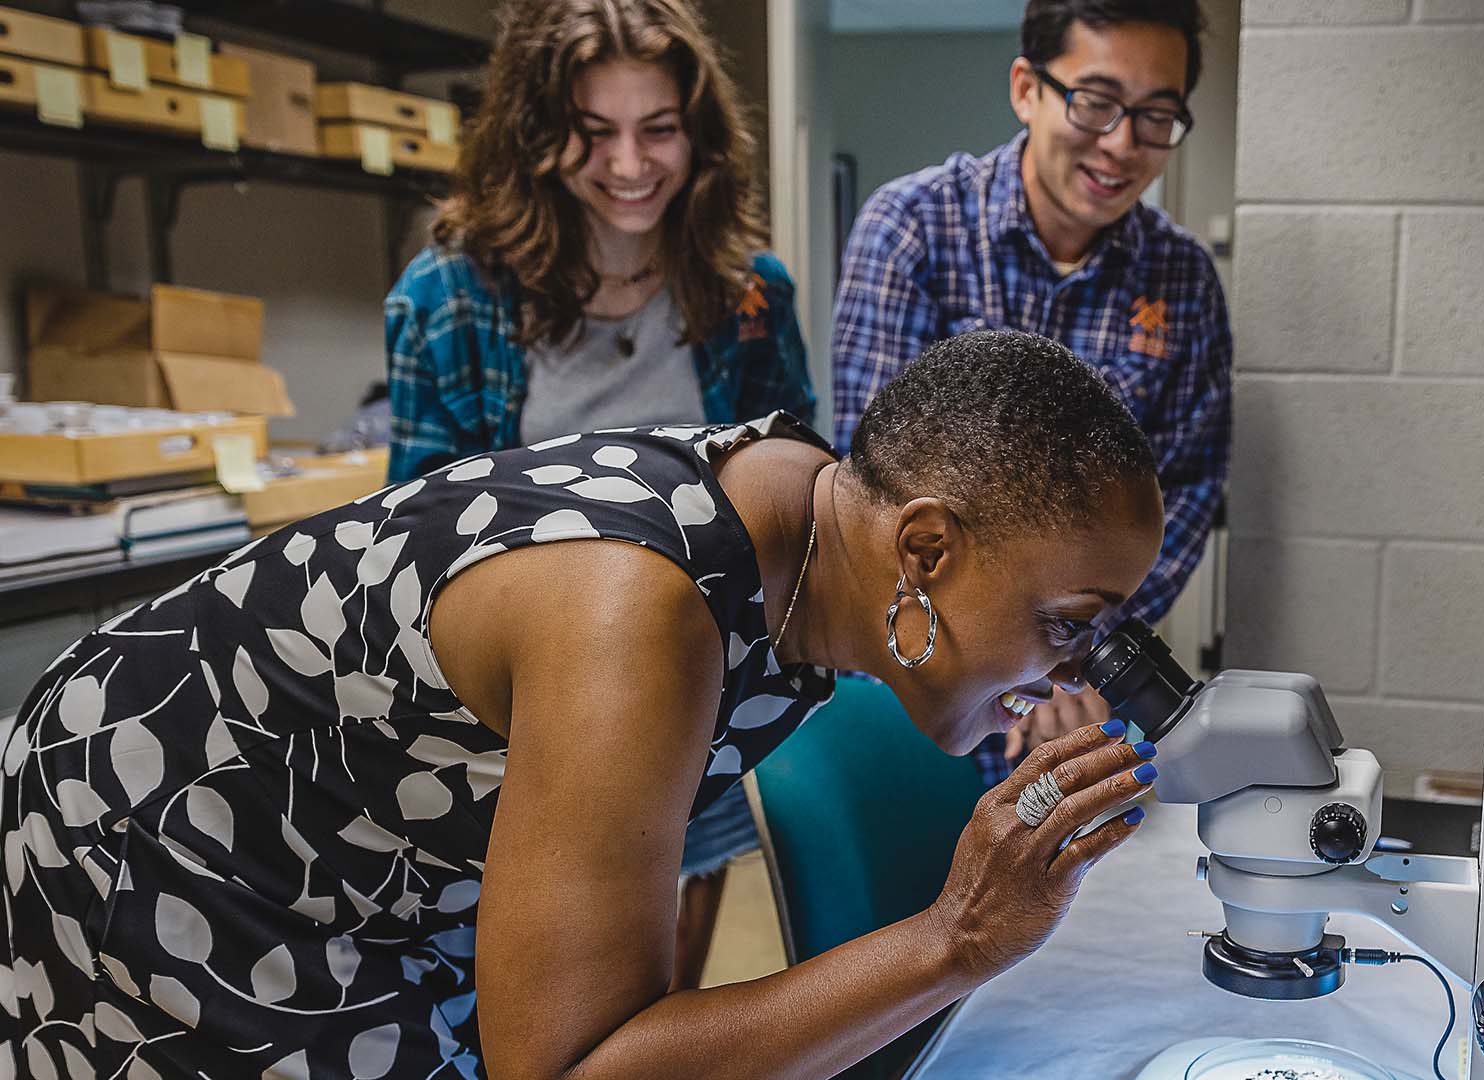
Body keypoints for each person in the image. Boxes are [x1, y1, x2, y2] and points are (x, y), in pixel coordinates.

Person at [1, 330, 1165, 1077]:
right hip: (158, 828)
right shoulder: (641, 612)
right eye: (1070, 621)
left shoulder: (812, 528)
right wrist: (955, 940)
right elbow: (570, 1073)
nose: (1074, 672)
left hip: (361, 857)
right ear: (925, 549)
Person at [383, 0, 815, 991]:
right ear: (536, 141)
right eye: (594, 133)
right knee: (528, 994)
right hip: (512, 720)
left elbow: (792, 502)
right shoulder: (450, 301)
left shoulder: (748, 296)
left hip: (702, 695)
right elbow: (412, 550)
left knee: (659, 999)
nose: (630, 165)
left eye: (658, 129)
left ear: (698, 137)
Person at [832, 0, 1230, 781]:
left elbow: (1188, 484)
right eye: (1096, 102)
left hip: (1073, 704)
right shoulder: (913, 229)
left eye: (1156, 116)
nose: (1122, 144)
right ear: (1027, 89)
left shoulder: (1181, 278)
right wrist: (1031, 649)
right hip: (916, 681)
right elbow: (874, 489)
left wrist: (1072, 646)